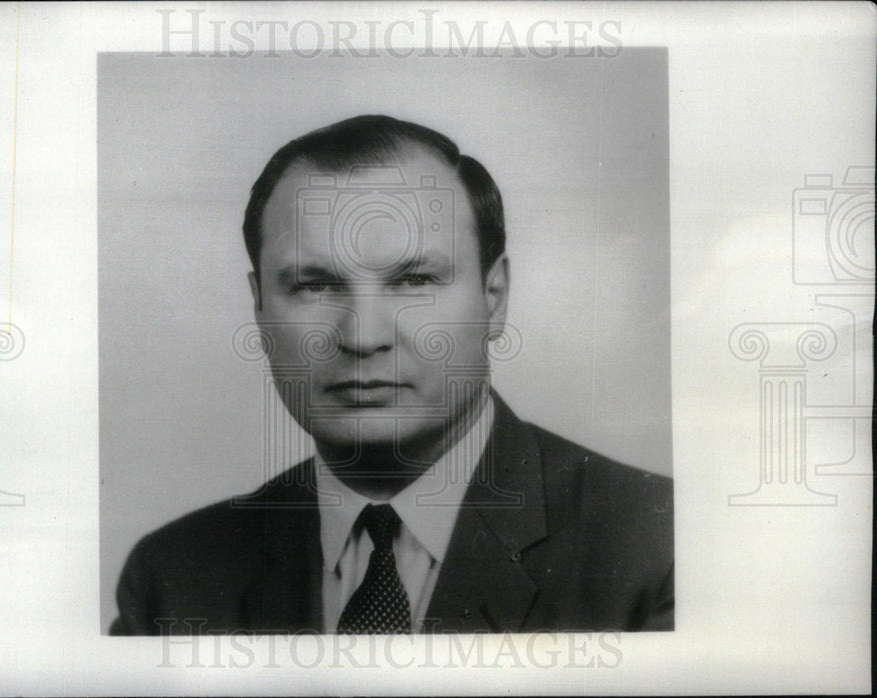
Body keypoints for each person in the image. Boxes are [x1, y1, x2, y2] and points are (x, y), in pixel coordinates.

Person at [110, 115, 673, 635]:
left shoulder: (660, 547)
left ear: (494, 299)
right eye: (314, 285)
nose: (362, 336)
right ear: (259, 308)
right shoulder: (171, 576)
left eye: (414, 281)